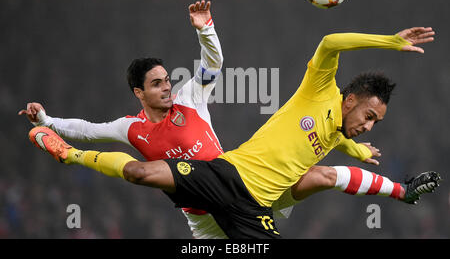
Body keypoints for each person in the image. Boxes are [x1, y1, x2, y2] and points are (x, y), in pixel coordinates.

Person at [25, 19, 441, 238]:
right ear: (139, 93)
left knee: (323, 175)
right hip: (212, 188)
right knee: (137, 171)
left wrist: (359, 152)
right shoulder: (129, 128)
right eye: (157, 83)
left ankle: (403, 192)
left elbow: (213, 64)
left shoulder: (190, 99)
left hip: (253, 203)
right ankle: (66, 155)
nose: (168, 86)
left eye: (168, 79)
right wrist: (48, 122)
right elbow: (330, 40)